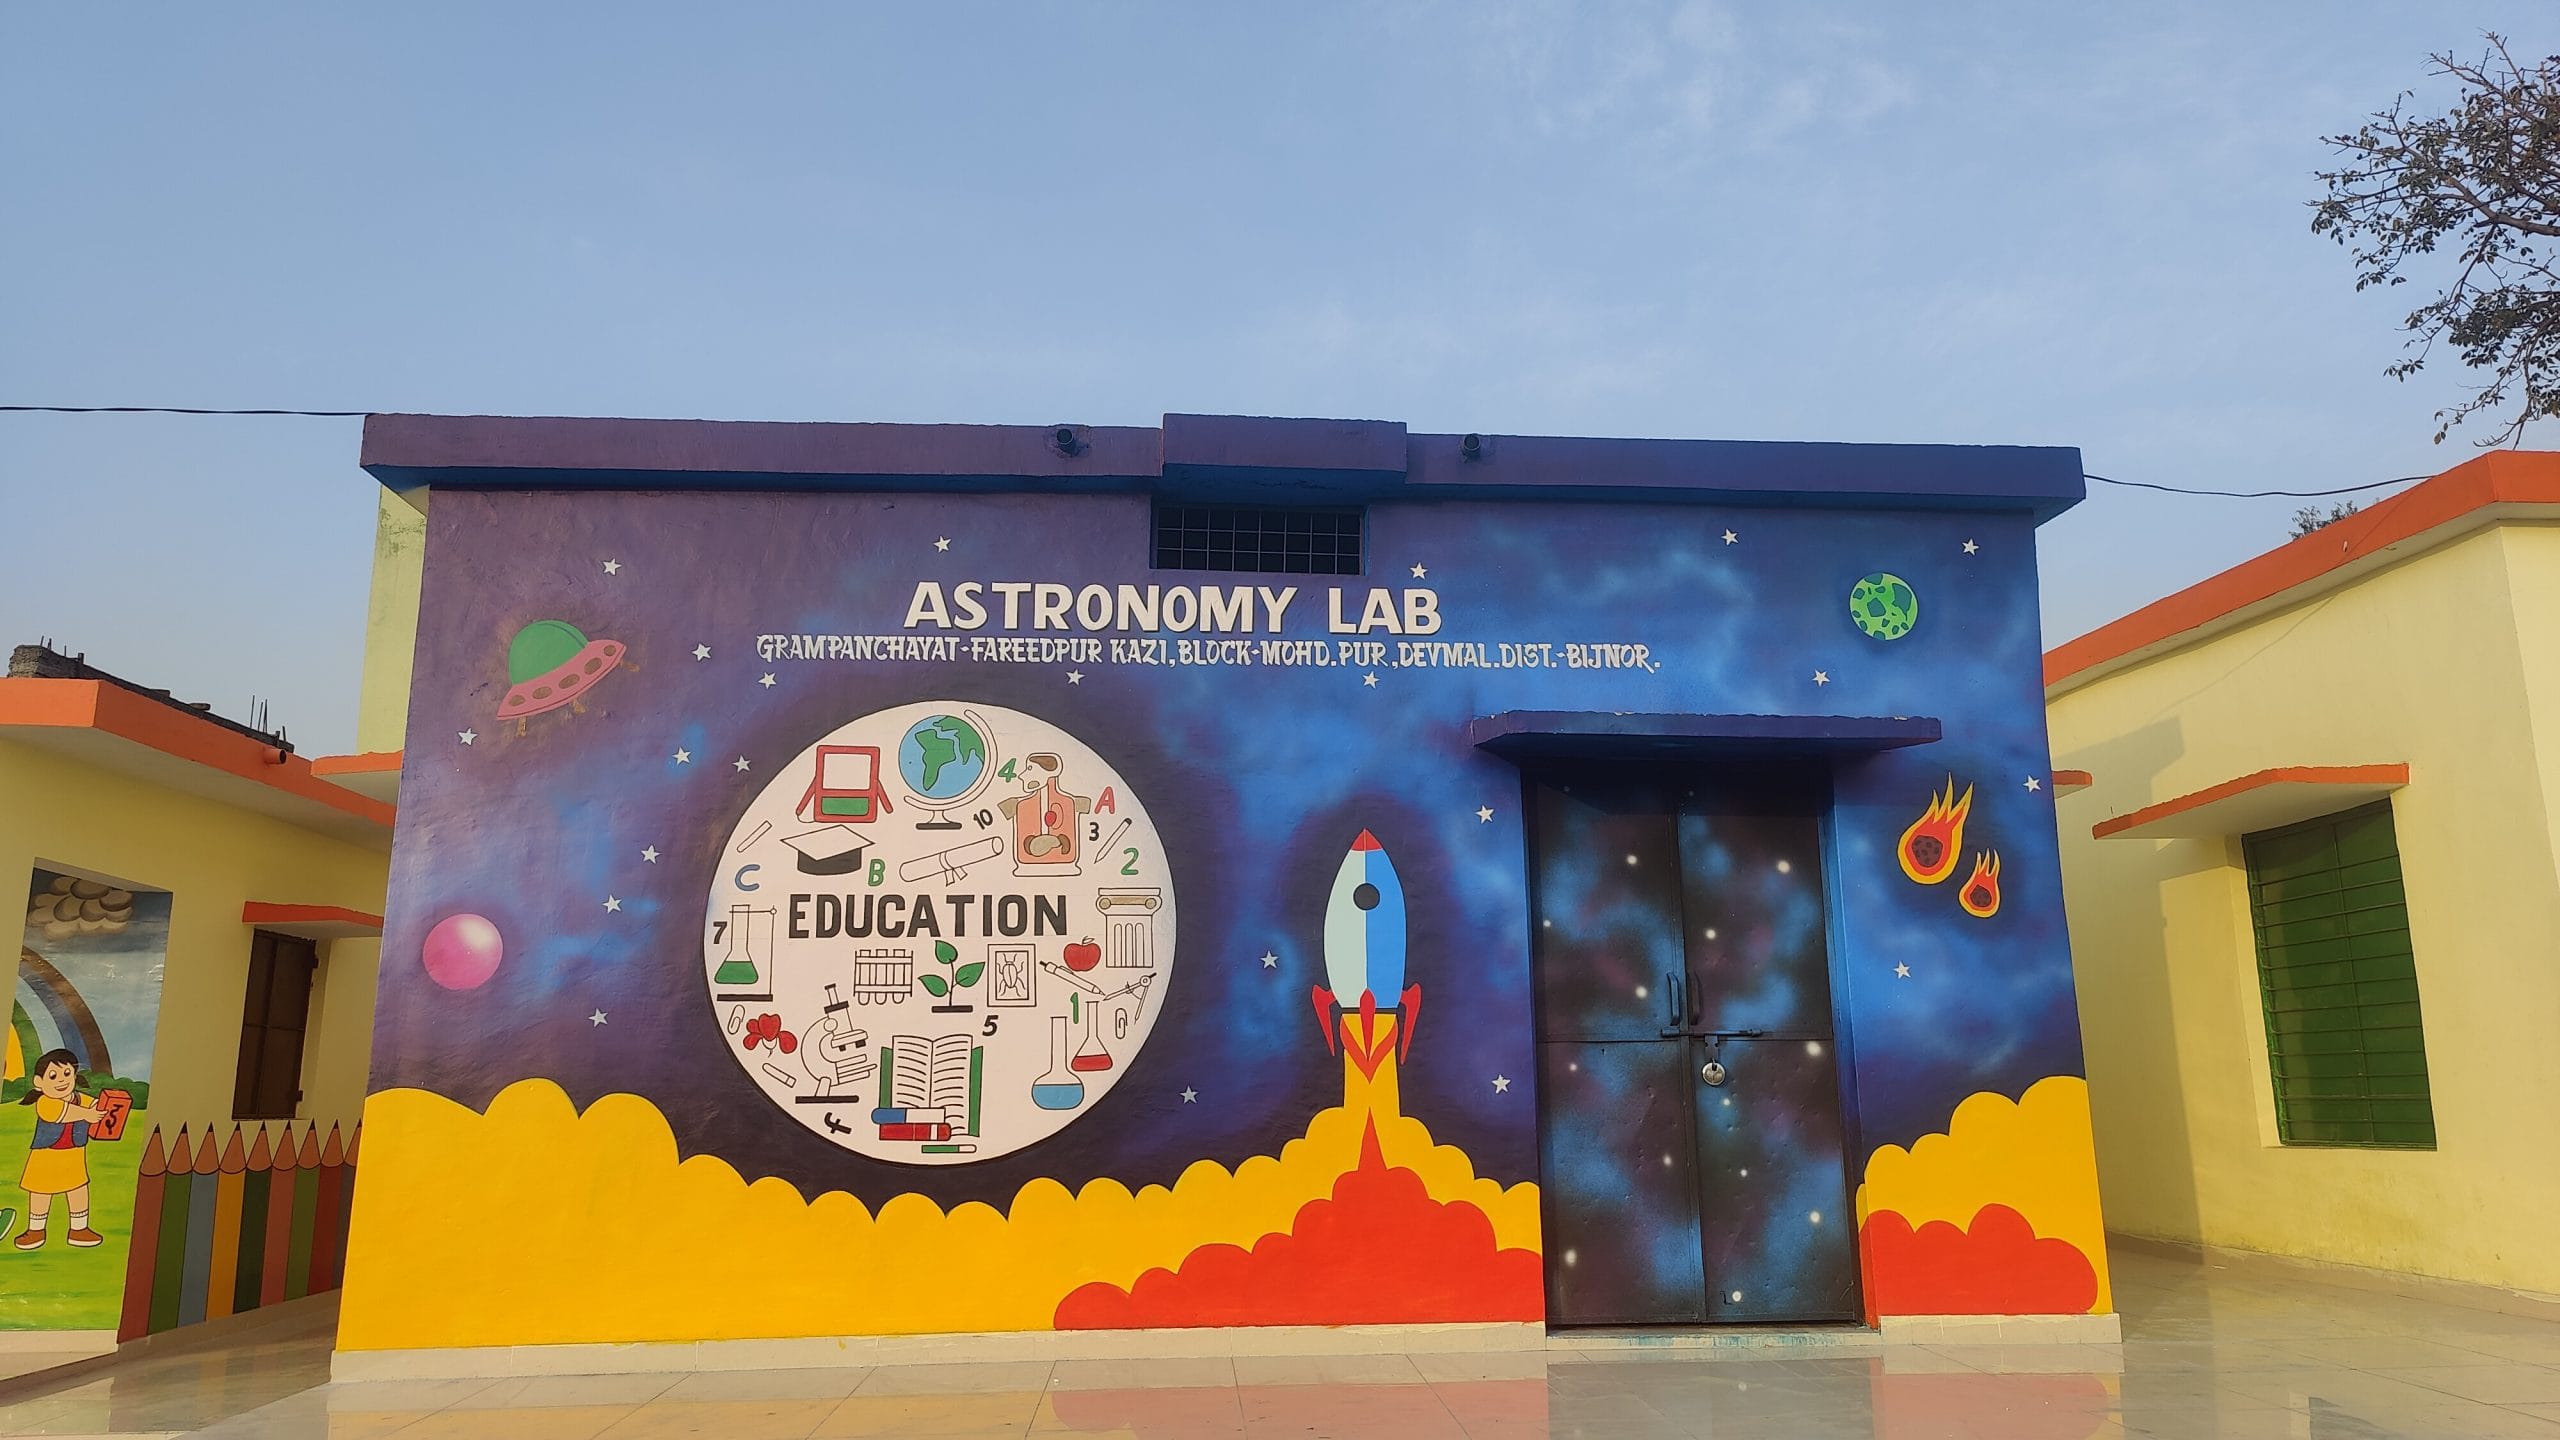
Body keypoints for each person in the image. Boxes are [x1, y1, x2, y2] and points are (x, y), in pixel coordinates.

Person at [14, 1050, 104, 1249]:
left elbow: (96, 1106)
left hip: (73, 1156)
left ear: (74, 1075)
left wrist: (106, 1106)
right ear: (39, 1082)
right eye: (53, 1076)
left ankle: (79, 1230)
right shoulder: (45, 1102)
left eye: (67, 1074)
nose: (61, 1081)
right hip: (45, 1158)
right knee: (40, 1192)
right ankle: (36, 1231)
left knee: (78, 1190)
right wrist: (88, 1115)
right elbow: (62, 1114)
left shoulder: (81, 1099)